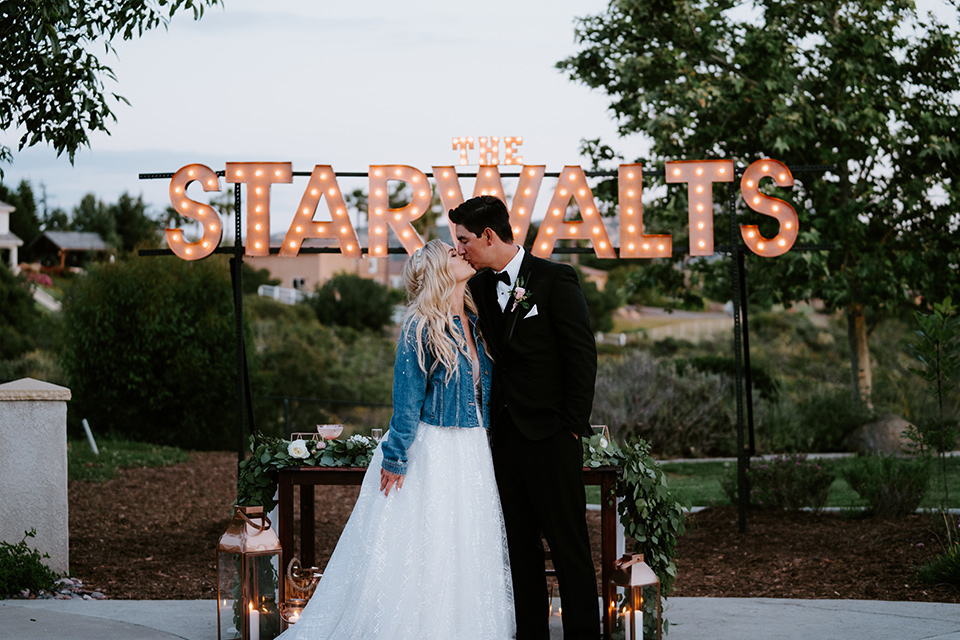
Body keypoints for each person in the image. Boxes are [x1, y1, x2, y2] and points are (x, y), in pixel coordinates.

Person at [277, 239, 515, 640]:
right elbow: (406, 403)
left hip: (472, 450)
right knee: (425, 546)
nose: (463, 255)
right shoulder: (420, 326)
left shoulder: (476, 323)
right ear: (440, 272)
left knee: (467, 545)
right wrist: (395, 458)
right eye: (454, 255)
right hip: (434, 450)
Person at [450, 195, 600, 640]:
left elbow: (582, 355)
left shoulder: (555, 279)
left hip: (553, 436)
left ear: (489, 235)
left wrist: (571, 426)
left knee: (570, 549)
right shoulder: (476, 287)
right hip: (503, 443)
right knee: (520, 551)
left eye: (463, 240)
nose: (459, 250)